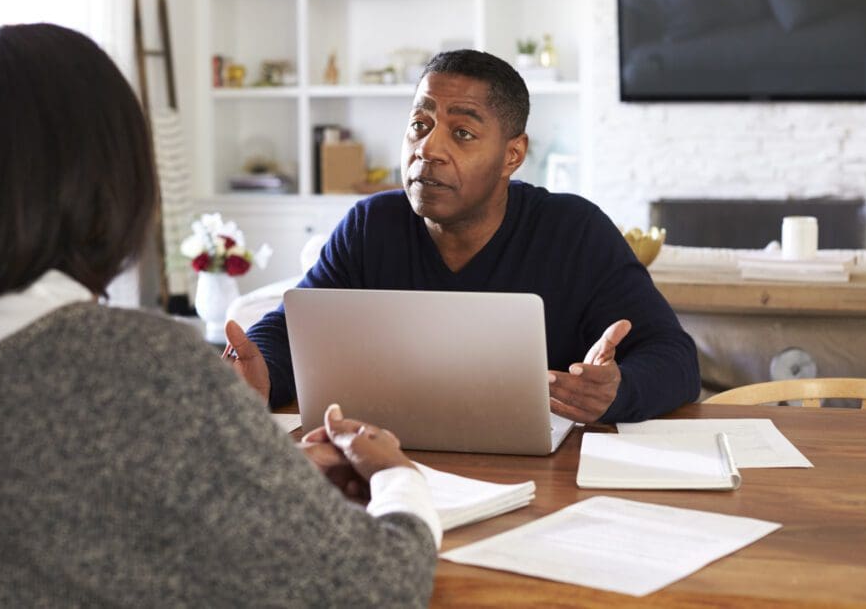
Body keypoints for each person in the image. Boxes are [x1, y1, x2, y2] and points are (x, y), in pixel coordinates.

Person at [0, 23, 440, 607]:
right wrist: (395, 474)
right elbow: (379, 587)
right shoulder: (140, 359)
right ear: (109, 173)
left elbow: (43, 507)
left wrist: (259, 476)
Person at [229, 49, 700, 424]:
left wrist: (617, 391)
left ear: (512, 155)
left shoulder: (573, 230)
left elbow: (675, 358)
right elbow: (292, 329)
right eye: (420, 125)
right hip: (395, 466)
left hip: (545, 481)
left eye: (463, 133)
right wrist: (261, 371)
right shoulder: (372, 225)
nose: (428, 149)